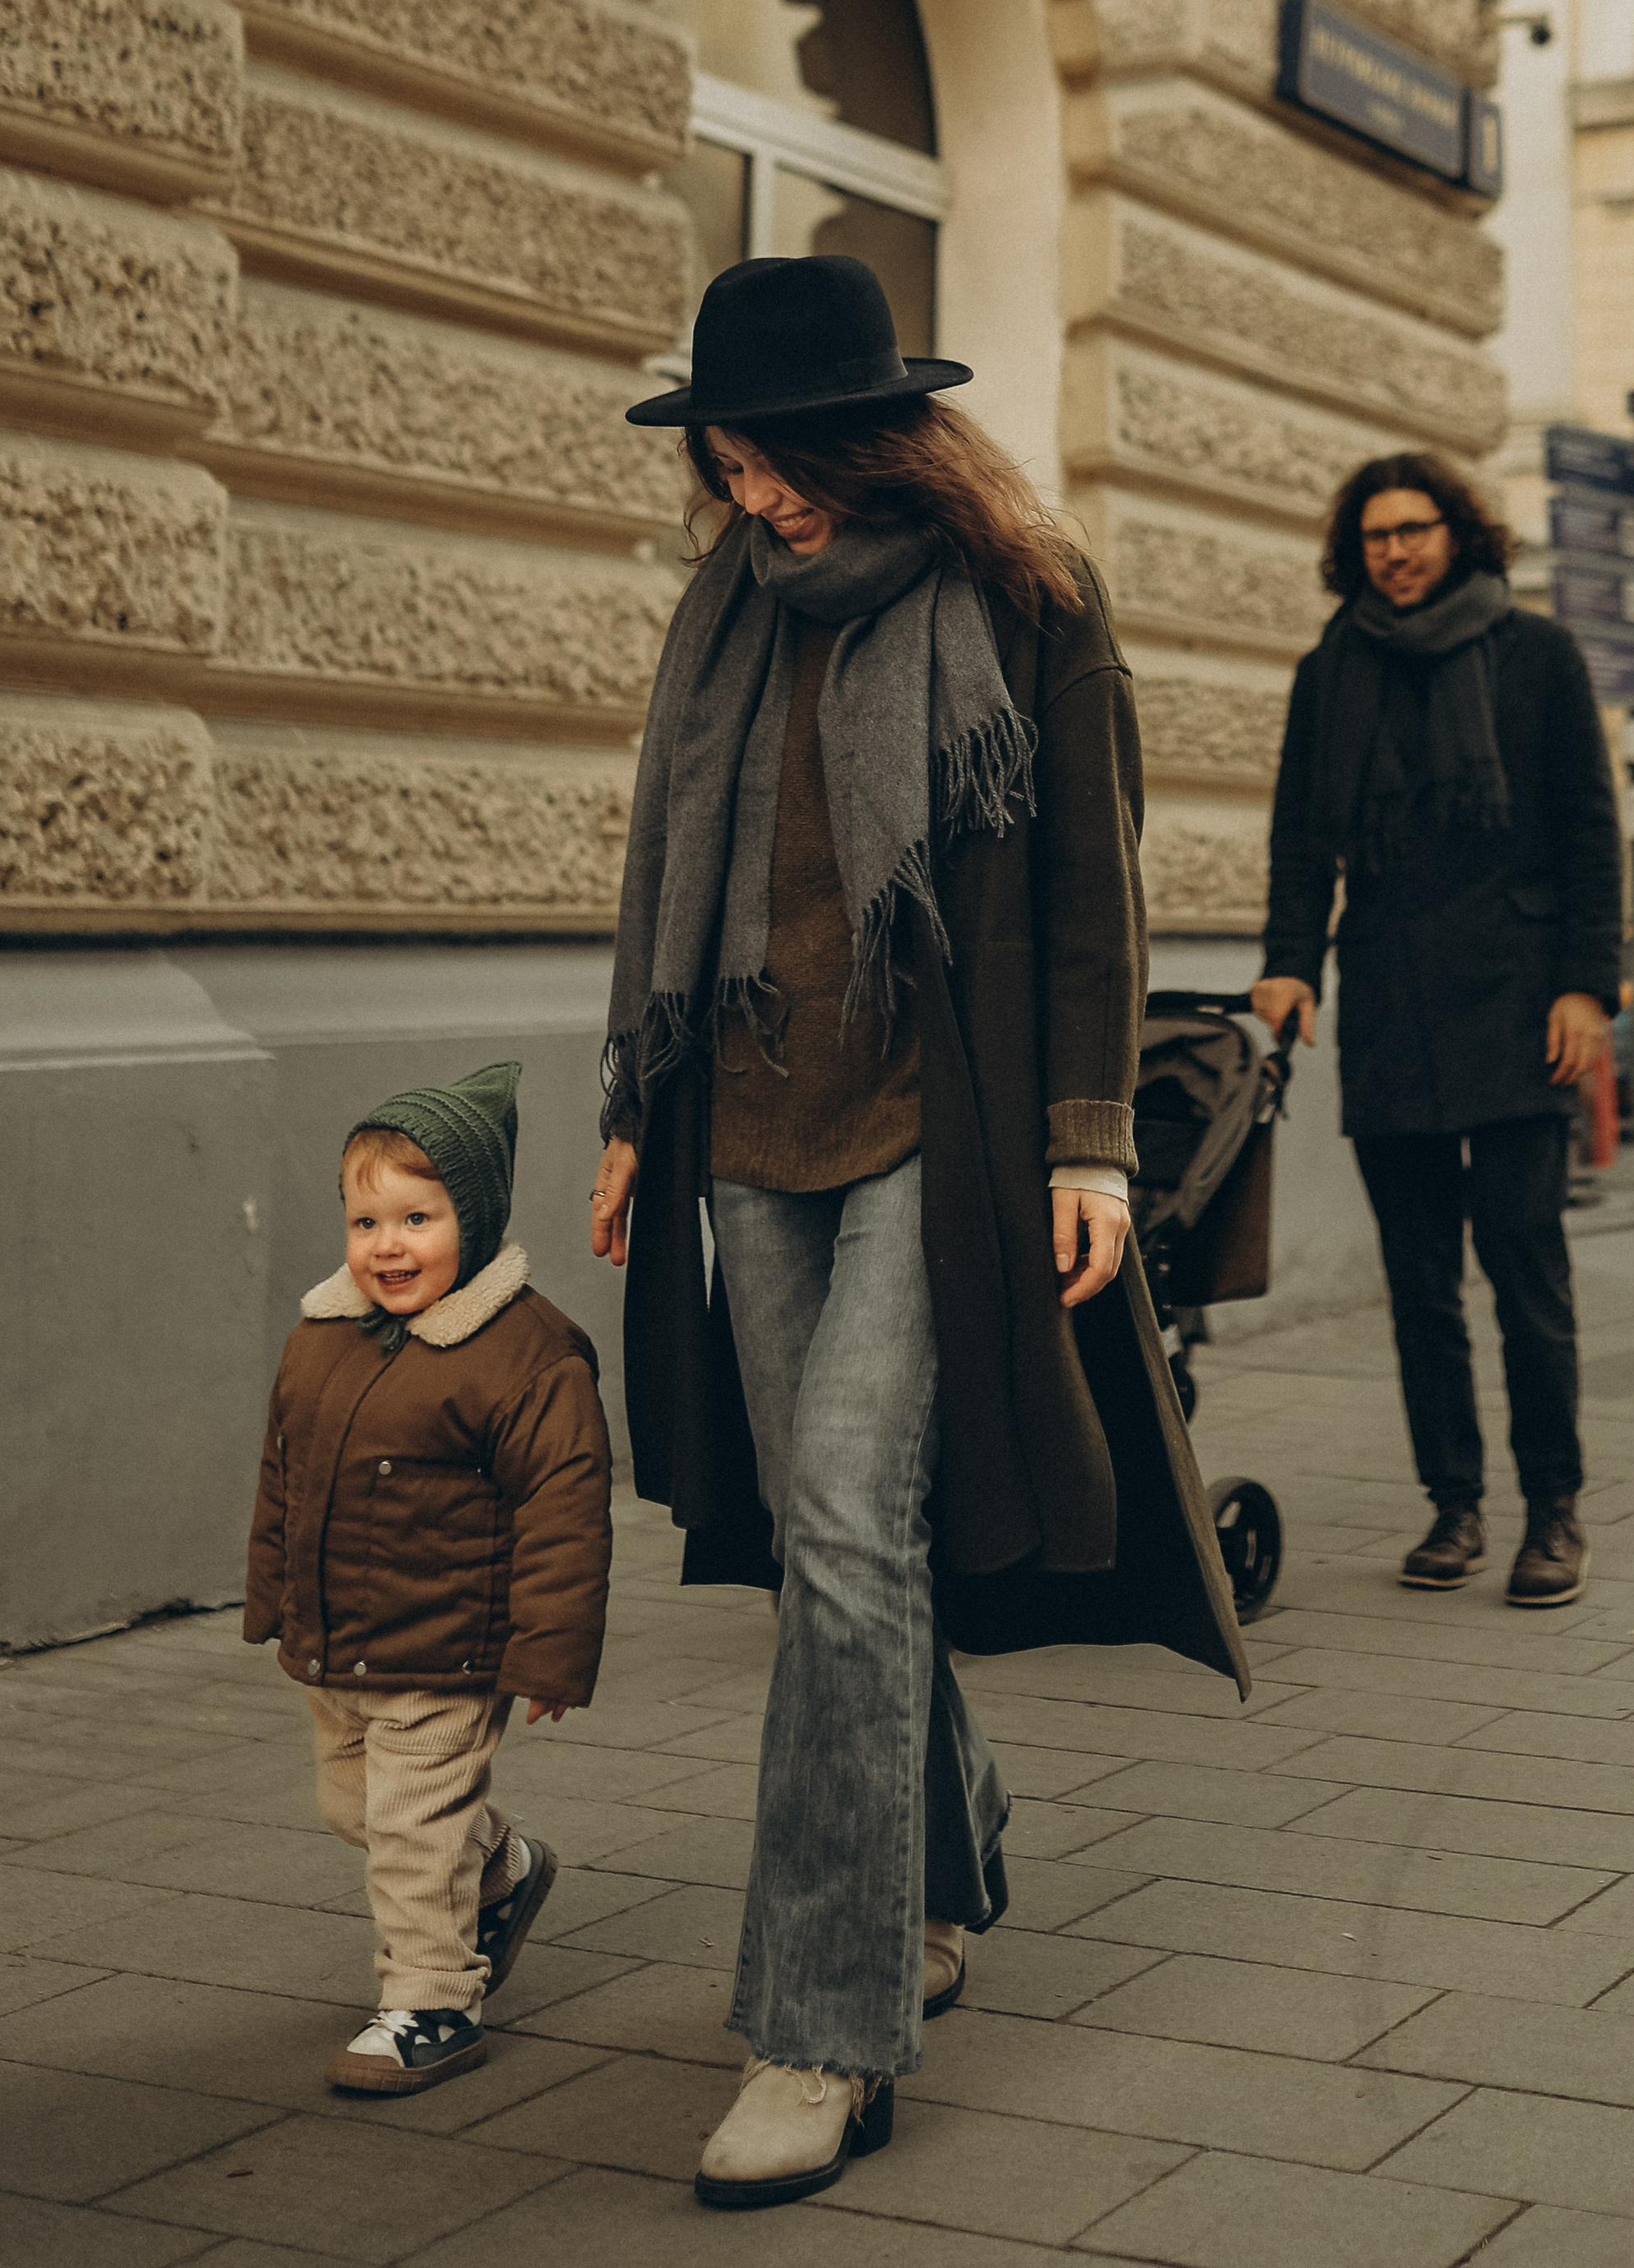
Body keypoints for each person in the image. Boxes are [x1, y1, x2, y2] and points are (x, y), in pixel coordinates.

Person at [591, 252, 1245, 2212]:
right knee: (818, 1544)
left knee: (862, 1527)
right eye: (725, 466)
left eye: (776, 464)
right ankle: (941, 1848)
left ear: (871, 440)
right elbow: (659, 880)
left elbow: (1084, 898)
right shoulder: (720, 612)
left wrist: (1090, 1142)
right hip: (747, 1118)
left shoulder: (1025, 602)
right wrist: (635, 1106)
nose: (752, 501)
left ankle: (824, 2019)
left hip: (927, 1133)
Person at [1252, 453, 1621, 1609]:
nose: (1396, 552)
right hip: (1391, 999)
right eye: (1375, 538)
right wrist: (1287, 963)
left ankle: (1553, 1510)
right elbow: (1302, 839)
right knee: (1420, 1285)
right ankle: (1454, 1506)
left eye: (1414, 531)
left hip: (1520, 1004)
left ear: (1459, 535)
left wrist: (1585, 988)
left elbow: (1589, 834)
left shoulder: (1538, 657)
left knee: (1525, 1271)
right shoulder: (1332, 670)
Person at [245, 1062, 612, 2094]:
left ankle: (431, 2003)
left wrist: (547, 1651)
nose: (387, 1246)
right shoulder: (323, 1339)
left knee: (410, 1830)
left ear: (478, 1219)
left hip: (452, 1645)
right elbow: (286, 1474)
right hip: (337, 1644)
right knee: (351, 1806)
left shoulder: (526, 1355)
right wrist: (273, 1597)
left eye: (417, 1218)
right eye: (367, 1223)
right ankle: (499, 1864)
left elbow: (565, 1513)